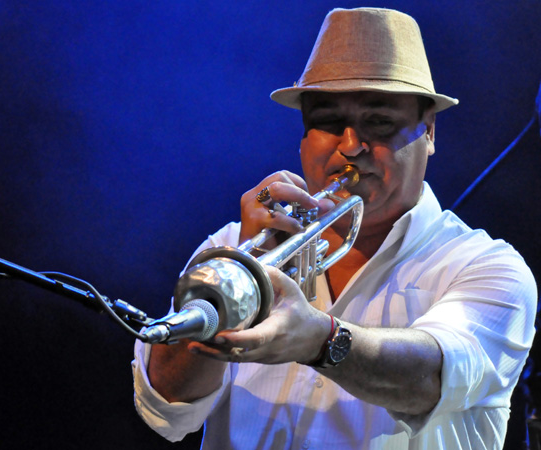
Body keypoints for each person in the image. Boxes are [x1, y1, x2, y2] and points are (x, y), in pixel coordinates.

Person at [132, 7, 537, 448]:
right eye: (327, 121)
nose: (350, 147)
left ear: (429, 132)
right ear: (304, 136)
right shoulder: (232, 249)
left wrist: (320, 342)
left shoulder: (487, 267)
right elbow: (165, 409)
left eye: (379, 122)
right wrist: (235, 284)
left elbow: (432, 378)